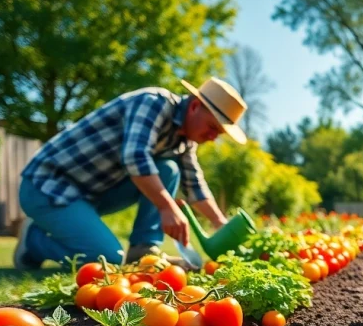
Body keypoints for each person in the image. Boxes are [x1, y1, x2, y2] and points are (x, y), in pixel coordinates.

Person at [13, 77, 248, 269]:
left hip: (93, 193)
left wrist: (220, 224)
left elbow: (194, 184)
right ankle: (33, 240)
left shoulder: (184, 140)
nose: (213, 137)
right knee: (107, 259)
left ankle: (143, 251)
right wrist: (167, 207)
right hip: (47, 185)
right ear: (195, 106)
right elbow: (135, 156)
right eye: (213, 128)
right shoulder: (154, 103)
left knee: (168, 169)